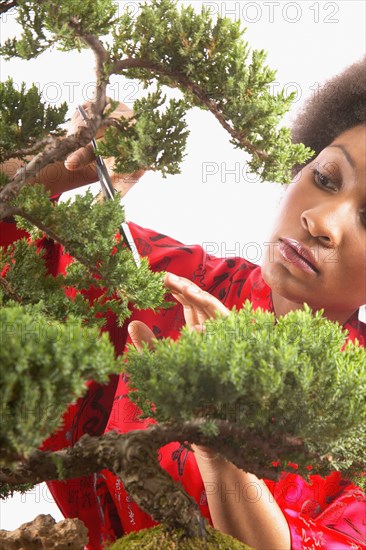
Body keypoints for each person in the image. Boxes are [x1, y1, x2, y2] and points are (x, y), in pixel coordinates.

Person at [1, 57, 365, 549]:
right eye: (326, 177)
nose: (322, 221)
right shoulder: (174, 283)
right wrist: (66, 165)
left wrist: (217, 444)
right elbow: (19, 253)